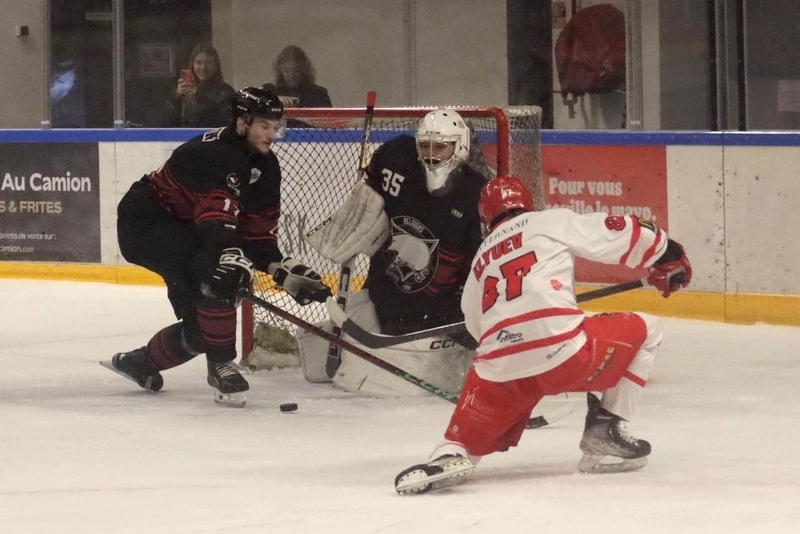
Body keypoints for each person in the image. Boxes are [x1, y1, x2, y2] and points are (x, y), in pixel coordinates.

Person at [393, 175, 692, 494]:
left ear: (486, 218)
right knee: (648, 329)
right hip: (564, 354)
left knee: (459, 440)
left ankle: (450, 453)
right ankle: (607, 428)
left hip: (500, 371)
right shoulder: (548, 222)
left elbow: (476, 326)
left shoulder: (481, 258)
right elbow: (619, 232)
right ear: (526, 203)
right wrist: (666, 252)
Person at [102, 87, 331, 407]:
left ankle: (141, 362)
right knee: (223, 270)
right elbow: (216, 224)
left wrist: (283, 271)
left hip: (188, 230)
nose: (272, 134)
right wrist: (229, 257)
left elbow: (258, 236)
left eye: (275, 126)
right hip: (147, 222)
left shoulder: (267, 168)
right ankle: (222, 365)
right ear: (241, 123)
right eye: (264, 126)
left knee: (201, 330)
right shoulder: (217, 155)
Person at [300, 109, 485, 397]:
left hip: (440, 305)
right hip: (388, 290)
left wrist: (465, 310)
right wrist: (360, 211)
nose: (432, 155)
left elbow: (478, 262)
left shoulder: (477, 192)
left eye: (441, 146)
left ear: (460, 146)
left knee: (473, 331)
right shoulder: (396, 159)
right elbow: (369, 195)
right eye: (426, 146)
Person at [161, 42, 236, 128]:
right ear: (193, 65)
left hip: (212, 140)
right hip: (185, 140)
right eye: (198, 63)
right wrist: (176, 98)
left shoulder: (226, 92)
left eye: (208, 63)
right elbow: (167, 124)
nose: (203, 67)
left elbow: (221, 124)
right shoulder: (183, 91)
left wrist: (199, 97)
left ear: (215, 66)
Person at [261, 45, 332, 109]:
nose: (292, 75)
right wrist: (274, 100)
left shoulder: (318, 94)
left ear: (304, 69)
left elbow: (328, 120)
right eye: (287, 70)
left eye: (296, 70)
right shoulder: (271, 92)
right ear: (280, 70)